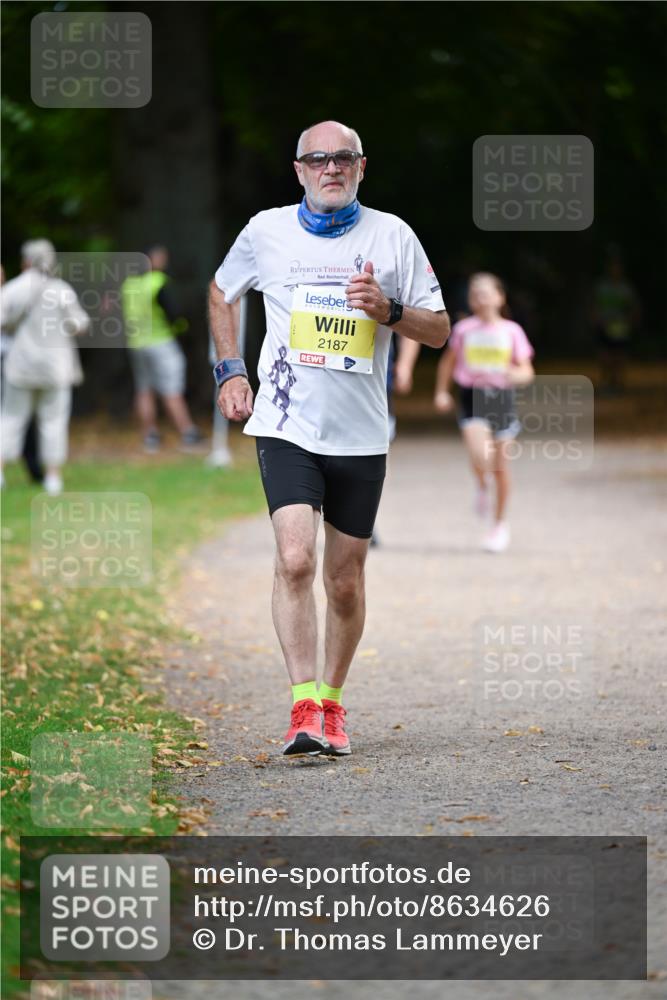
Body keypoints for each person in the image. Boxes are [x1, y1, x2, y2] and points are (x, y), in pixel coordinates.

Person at [209, 120, 449, 756]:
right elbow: (221, 290)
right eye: (317, 159)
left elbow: (439, 330)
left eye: (343, 158)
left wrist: (388, 310)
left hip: (360, 433)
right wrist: (230, 369)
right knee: (295, 559)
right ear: (299, 170)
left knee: (344, 579)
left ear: (362, 167)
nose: (331, 168)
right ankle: (302, 707)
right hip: (285, 424)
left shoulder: (392, 235)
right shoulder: (265, 230)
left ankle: (334, 703)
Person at [434, 272, 534, 553]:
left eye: (486, 293)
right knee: (481, 455)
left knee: (501, 467)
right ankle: (481, 482)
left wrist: (516, 374)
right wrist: (441, 392)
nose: (480, 299)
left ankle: (499, 525)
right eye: (475, 294)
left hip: (502, 398)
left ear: (500, 297)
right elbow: (447, 363)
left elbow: (527, 371)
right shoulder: (464, 329)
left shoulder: (512, 331)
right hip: (472, 396)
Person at [0, 240, 89, 495]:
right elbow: (80, 324)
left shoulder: (14, 288)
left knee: (10, 418)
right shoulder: (61, 289)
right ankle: (53, 477)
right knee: (53, 421)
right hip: (55, 367)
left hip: (20, 366)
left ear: (26, 260)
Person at [121, 245, 204, 453]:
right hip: (160, 341)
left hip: (136, 343)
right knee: (172, 388)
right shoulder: (158, 282)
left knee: (144, 389)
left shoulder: (129, 284)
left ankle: (150, 435)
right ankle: (188, 432)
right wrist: (182, 328)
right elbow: (174, 313)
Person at [592, 246, 640, 394]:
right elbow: (595, 305)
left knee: (619, 355)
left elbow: (633, 307)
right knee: (604, 356)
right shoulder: (602, 287)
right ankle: (606, 381)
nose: (615, 270)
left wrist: (631, 321)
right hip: (604, 325)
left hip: (620, 327)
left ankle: (618, 382)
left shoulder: (626, 289)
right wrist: (596, 319)